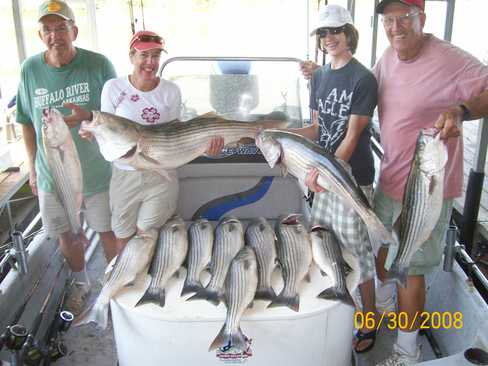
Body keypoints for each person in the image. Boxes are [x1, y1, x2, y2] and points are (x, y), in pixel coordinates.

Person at [372, 1, 488, 365]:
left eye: (405, 18)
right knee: (380, 252)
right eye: (389, 20)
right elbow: (366, 93)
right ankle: (384, 305)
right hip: (388, 178)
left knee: (412, 271)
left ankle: (407, 350)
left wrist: (461, 111)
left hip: (427, 190)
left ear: (422, 19)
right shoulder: (387, 58)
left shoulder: (450, 58)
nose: (396, 27)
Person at [66, 31, 224, 253]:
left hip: (161, 173)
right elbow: (107, 128)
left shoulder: (170, 91)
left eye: (156, 56)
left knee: (147, 234)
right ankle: (125, 281)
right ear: (132, 57)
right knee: (122, 234)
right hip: (124, 174)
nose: (150, 62)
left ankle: (148, 281)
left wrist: (208, 150)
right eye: (144, 55)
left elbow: (174, 137)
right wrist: (91, 128)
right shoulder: (113, 88)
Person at [16, 0, 117, 305]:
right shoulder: (30, 69)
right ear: (40, 35)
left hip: (97, 170)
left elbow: (114, 115)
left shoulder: (99, 65)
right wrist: (32, 168)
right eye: (47, 29)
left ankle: (114, 288)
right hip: (52, 175)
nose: (54, 35)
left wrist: (90, 118)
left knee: (108, 231)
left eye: (61, 28)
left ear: (74, 30)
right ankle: (82, 284)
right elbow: (26, 122)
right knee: (67, 234)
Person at [295, 4, 380, 354]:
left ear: (349, 34)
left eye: (335, 31)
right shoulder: (319, 77)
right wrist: (274, 132)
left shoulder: (363, 79)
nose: (329, 38)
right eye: (323, 33)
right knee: (325, 246)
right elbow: (316, 128)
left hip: (349, 178)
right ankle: (332, 310)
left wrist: (321, 174)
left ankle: (369, 320)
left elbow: (351, 137)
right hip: (321, 176)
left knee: (359, 255)